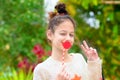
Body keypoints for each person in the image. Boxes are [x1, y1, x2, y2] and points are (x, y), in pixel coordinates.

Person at [33, 2, 102, 80]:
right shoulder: (42, 70)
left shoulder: (79, 59)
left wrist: (94, 62)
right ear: (50, 34)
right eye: (63, 34)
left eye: (71, 35)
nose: (68, 38)